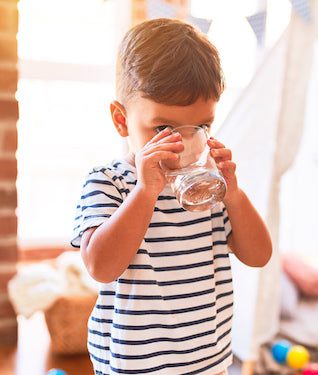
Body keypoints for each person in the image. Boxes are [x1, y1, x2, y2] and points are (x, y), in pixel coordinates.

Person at [70, 18, 272, 375]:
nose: (183, 145)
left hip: (208, 363)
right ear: (121, 120)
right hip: (136, 366)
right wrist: (145, 191)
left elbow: (258, 255)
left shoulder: (208, 189)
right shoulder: (109, 183)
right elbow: (101, 267)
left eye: (202, 127)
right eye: (163, 129)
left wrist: (235, 196)